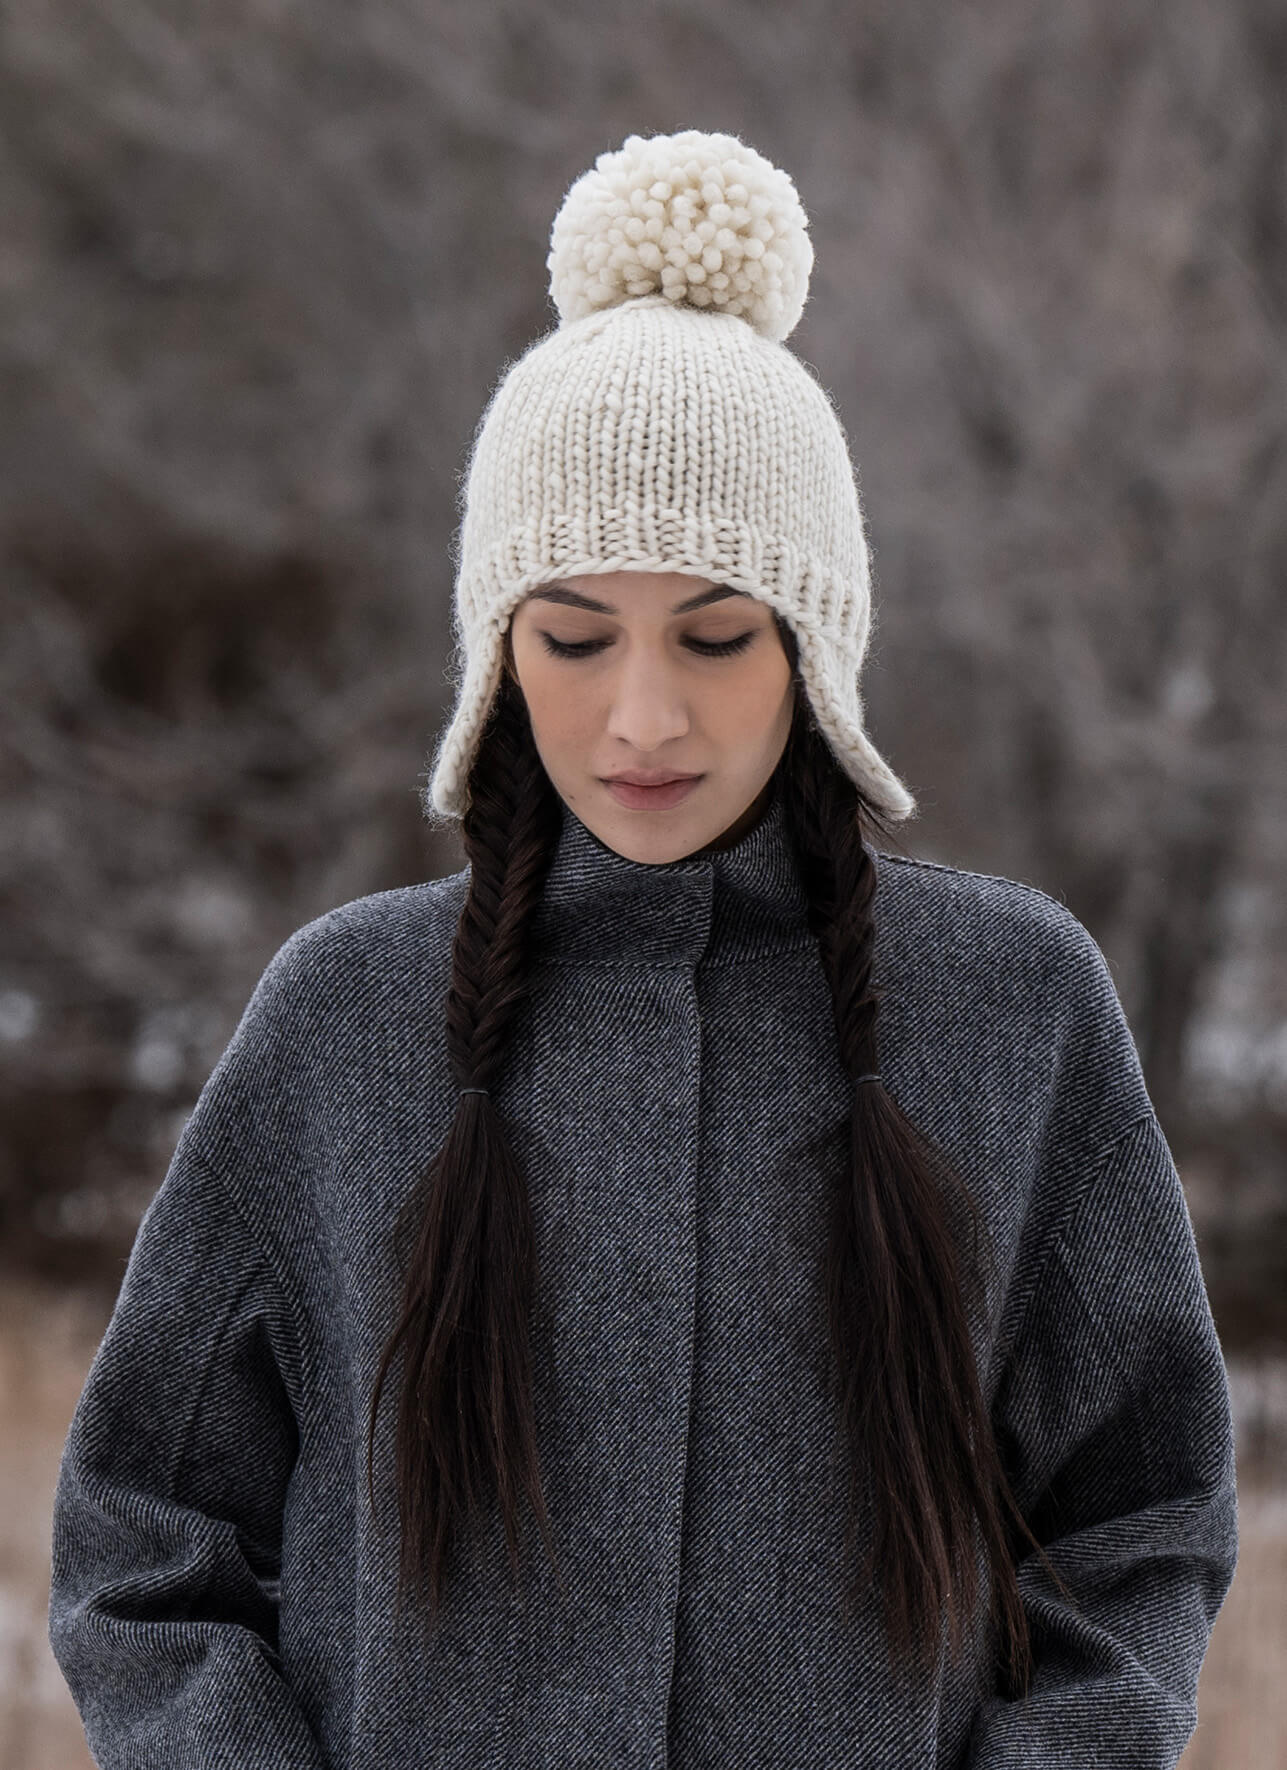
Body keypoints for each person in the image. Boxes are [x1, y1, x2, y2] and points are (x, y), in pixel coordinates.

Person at [48, 128, 1237, 1769]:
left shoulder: (1014, 1003)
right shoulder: (344, 1017)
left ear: (814, 640)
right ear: (496, 649)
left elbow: (1138, 1519)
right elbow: (145, 1536)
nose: (645, 717)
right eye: (575, 635)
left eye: (718, 634)